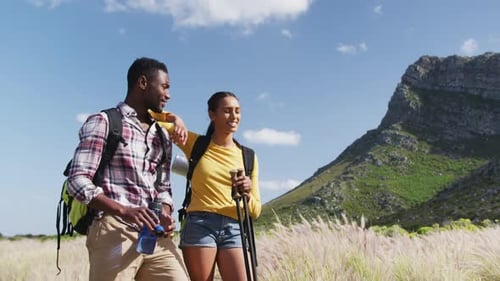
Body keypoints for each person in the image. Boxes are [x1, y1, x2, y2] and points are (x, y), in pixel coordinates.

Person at [66, 57, 189, 281]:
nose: (168, 95)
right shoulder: (104, 122)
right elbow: (77, 180)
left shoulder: (162, 135)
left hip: (154, 236)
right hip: (112, 228)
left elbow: (163, 187)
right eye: (164, 86)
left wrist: (165, 214)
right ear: (143, 83)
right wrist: (123, 210)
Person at [151, 91, 261, 281]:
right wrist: (176, 119)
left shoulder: (248, 156)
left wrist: (248, 193)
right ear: (212, 114)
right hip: (200, 225)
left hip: (234, 227)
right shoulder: (196, 143)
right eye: (227, 111)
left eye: (237, 111)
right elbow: (151, 116)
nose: (234, 116)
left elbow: (255, 210)